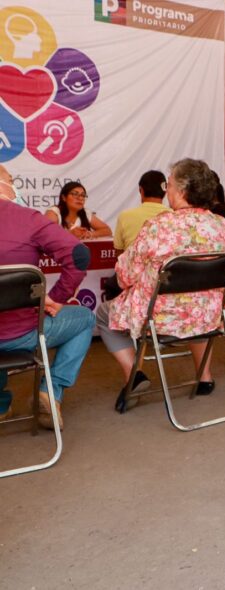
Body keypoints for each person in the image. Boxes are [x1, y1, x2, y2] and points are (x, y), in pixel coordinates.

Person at [96, 158, 225, 401]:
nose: (165, 190)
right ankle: (205, 377)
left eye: (168, 185)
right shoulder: (219, 224)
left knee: (105, 314)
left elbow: (125, 274)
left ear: (181, 190)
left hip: (161, 319)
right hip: (207, 315)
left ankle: (134, 376)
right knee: (195, 302)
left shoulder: (159, 225)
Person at [0, 165, 95, 429]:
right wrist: (54, 298)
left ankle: (0, 405)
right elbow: (79, 256)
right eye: (11, 179)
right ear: (4, 185)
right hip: (24, 333)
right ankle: (51, 391)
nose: (14, 184)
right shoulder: (28, 218)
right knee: (86, 318)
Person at [113, 170, 169, 255]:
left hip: (132, 267)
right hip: (166, 268)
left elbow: (119, 252)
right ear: (165, 192)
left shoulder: (125, 216)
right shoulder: (176, 216)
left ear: (141, 190)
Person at [45, 182, 112, 240]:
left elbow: (107, 231)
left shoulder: (85, 213)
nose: (80, 198)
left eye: (83, 195)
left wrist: (88, 234)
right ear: (64, 197)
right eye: (75, 194)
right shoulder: (54, 212)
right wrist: (70, 233)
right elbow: (47, 235)